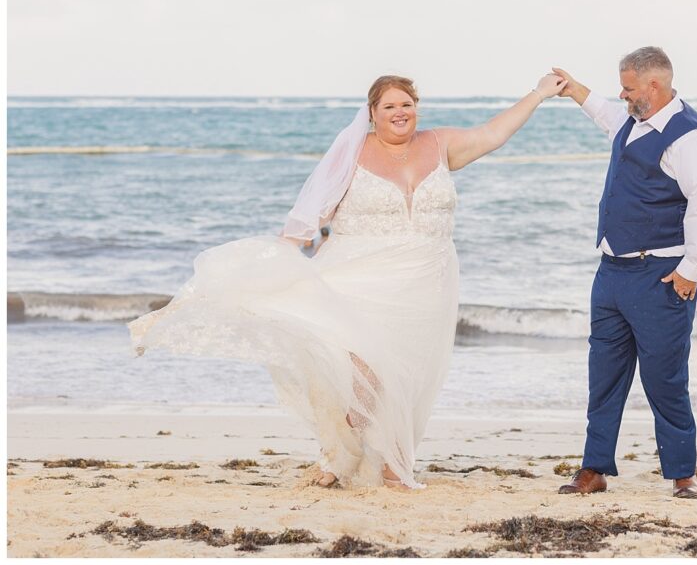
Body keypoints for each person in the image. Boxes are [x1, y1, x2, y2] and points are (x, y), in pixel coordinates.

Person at [128, 72, 567, 489]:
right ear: (372, 112)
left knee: (409, 372)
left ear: (418, 107)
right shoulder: (352, 152)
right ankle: (342, 453)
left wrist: (539, 94)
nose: (401, 112)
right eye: (390, 105)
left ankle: (393, 462)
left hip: (425, 282)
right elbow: (310, 218)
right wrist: (272, 263)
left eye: (408, 104)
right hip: (361, 276)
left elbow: (493, 134)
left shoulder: (440, 145)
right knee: (364, 370)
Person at [551, 47, 697, 499]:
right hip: (611, 272)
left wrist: (691, 269)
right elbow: (606, 115)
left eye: (628, 86)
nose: (622, 94)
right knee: (603, 374)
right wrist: (573, 90)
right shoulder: (633, 119)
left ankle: (682, 474)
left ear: (654, 86)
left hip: (662, 275)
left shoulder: (687, 136)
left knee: (665, 379)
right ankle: (594, 469)